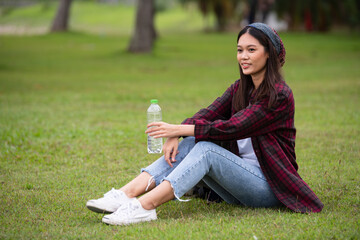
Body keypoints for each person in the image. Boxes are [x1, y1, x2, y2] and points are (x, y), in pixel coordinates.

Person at [86, 23, 324, 226]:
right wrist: (177, 134)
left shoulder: (279, 95)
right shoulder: (240, 89)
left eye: (252, 50)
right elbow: (208, 114)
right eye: (240, 50)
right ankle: (125, 195)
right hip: (236, 183)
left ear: (269, 53)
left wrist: (177, 130)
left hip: (269, 187)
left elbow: (233, 127)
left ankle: (144, 206)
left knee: (206, 149)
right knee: (192, 141)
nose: (244, 56)